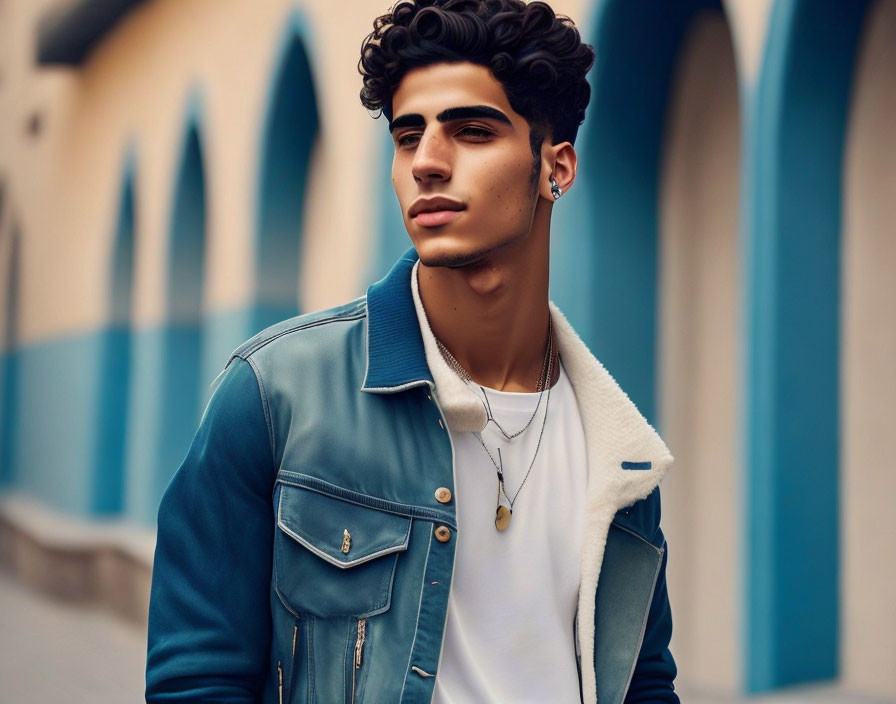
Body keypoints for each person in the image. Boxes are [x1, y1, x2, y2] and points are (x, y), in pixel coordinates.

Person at [145, 1, 679, 702]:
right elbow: (198, 679)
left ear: (557, 167)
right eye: (407, 136)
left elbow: (642, 680)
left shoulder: (620, 452)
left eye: (473, 131)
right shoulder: (274, 395)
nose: (427, 162)